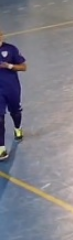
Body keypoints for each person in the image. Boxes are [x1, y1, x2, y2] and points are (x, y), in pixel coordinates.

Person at [0, 30, 27, 161]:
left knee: (15, 112)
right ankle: (1, 148)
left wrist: (9, 66)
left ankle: (18, 128)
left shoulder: (11, 49)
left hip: (12, 88)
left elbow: (24, 67)